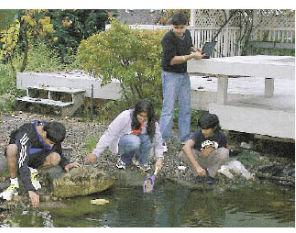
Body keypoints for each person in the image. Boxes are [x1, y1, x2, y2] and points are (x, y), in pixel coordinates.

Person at [0, 120, 81, 207]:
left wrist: (65, 164)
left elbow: (59, 151)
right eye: (51, 143)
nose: (51, 146)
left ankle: (32, 172)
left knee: (56, 157)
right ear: (44, 133)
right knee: (12, 148)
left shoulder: (53, 131)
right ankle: (14, 183)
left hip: (35, 157)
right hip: (19, 156)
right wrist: (30, 190)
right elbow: (22, 162)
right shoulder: (26, 133)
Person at [159, 12, 205, 152]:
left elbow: (188, 46)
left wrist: (195, 49)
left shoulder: (187, 34)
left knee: (185, 107)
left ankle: (184, 138)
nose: (179, 30)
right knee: (168, 109)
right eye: (176, 27)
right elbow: (172, 60)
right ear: (172, 26)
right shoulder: (167, 38)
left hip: (184, 74)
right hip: (170, 75)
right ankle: (161, 140)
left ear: (186, 25)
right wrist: (191, 56)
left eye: (182, 27)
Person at [84, 99, 164, 173]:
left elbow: (158, 141)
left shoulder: (153, 122)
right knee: (134, 141)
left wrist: (159, 159)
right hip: (124, 142)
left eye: (145, 116)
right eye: (140, 115)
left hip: (137, 141)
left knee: (150, 139)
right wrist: (96, 153)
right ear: (136, 112)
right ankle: (124, 159)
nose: (142, 119)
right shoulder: (126, 115)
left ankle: (141, 161)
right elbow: (109, 134)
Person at [182, 113, 229, 184]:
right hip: (198, 159)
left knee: (224, 152)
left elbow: (224, 149)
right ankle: (198, 174)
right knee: (183, 153)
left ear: (214, 127)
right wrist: (197, 167)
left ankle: (210, 175)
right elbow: (186, 147)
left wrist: (212, 149)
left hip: (211, 160)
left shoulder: (221, 136)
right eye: (202, 128)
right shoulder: (198, 134)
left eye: (207, 129)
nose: (203, 131)